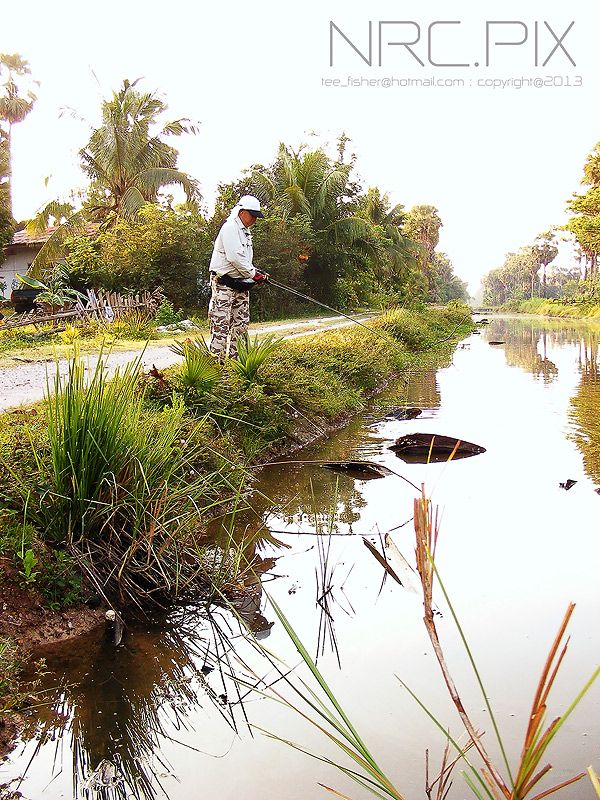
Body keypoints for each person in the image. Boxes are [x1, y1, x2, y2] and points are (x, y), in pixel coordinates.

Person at [208, 195, 268, 361]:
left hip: (240, 285)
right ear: (242, 212)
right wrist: (253, 274)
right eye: (252, 214)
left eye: (256, 216)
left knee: (240, 328)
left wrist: (257, 273)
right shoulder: (230, 228)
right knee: (221, 327)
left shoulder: (246, 232)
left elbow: (245, 261)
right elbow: (235, 257)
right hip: (224, 285)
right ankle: (216, 369)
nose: (254, 219)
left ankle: (236, 366)